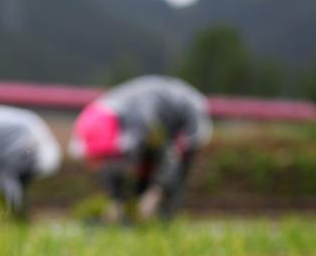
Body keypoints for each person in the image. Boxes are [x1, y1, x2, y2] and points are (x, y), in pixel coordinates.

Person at [69, 75, 211, 222]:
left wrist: (155, 193)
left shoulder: (144, 123)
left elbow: (169, 157)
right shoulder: (99, 120)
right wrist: (116, 199)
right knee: (136, 173)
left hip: (184, 118)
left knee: (171, 174)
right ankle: (136, 215)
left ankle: (164, 218)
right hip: (145, 131)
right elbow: (112, 167)